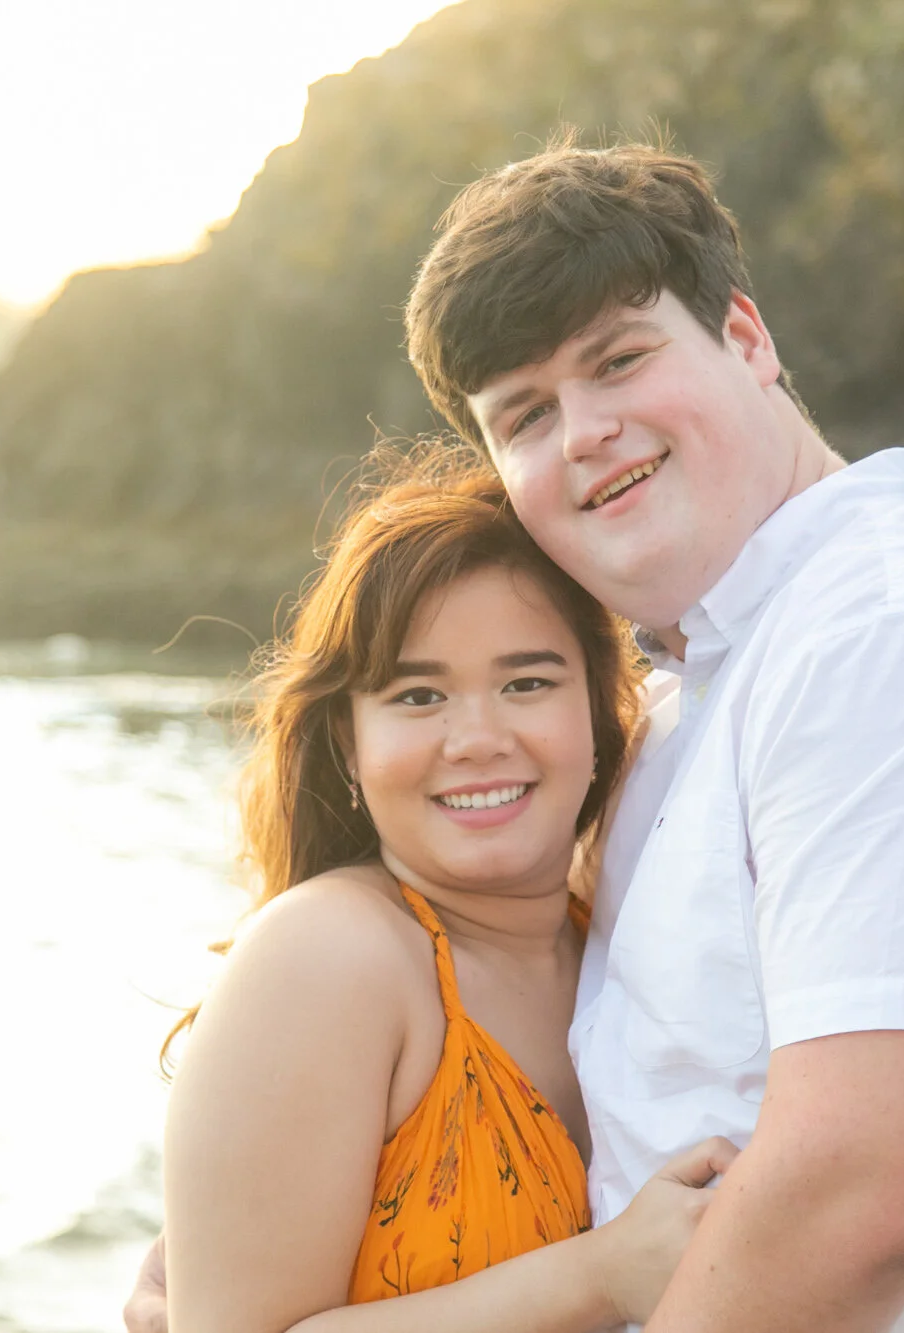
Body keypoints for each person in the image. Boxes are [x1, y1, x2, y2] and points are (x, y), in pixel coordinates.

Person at [133, 141, 904, 1332]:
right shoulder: (675, 719)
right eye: (523, 415)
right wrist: (235, 1222)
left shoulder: (896, 639)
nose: (582, 431)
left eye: (617, 360)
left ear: (746, 338)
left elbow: (863, 1196)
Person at [161, 449, 740, 1333]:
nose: (476, 737)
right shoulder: (330, 956)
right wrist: (599, 1276)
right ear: (349, 747)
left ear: (600, 713)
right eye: (419, 694)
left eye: (526, 682)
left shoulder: (625, 926)